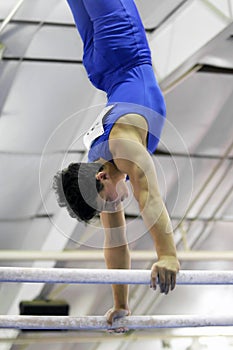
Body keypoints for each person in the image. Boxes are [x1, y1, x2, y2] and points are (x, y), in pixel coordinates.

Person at [53, 0, 180, 331]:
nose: (116, 204)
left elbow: (150, 199)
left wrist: (167, 256)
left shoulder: (123, 150)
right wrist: (121, 305)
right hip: (101, 69)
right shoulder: (104, 169)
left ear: (98, 176)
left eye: (109, 199)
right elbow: (117, 243)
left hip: (122, 47)